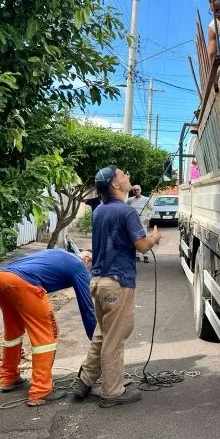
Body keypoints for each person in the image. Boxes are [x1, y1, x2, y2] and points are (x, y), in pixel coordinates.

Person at [72, 165, 162, 408]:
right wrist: (154, 237)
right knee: (115, 337)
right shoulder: (126, 212)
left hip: (98, 282)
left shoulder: (99, 210)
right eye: (123, 175)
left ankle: (85, 380)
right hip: (117, 283)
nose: (127, 176)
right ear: (114, 184)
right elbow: (142, 246)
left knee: (103, 333)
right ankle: (112, 391)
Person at [0, 248, 96, 406]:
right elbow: (86, 306)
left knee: (13, 332)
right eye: (91, 270)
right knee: (47, 334)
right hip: (23, 283)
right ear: (88, 260)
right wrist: (95, 339)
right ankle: (41, 390)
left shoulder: (61, 253)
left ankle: (8, 377)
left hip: (1, 279)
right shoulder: (79, 266)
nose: (89, 274)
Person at [127, 184, 150, 263]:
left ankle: (146, 255)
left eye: (137, 189)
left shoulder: (146, 199)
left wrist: (148, 218)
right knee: (135, 238)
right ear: (132, 191)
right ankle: (137, 256)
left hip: (142, 220)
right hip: (133, 221)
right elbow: (125, 209)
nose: (136, 191)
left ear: (140, 190)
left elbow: (153, 209)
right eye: (134, 190)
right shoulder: (130, 200)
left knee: (144, 237)